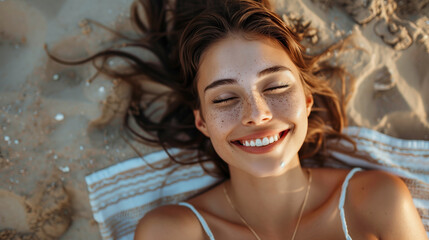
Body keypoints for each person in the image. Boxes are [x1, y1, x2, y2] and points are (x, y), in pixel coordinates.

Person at [44, 0, 426, 239]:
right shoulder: (173, 232)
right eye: (225, 98)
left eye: (275, 88)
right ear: (203, 123)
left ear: (307, 100)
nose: (257, 113)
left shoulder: (377, 201)